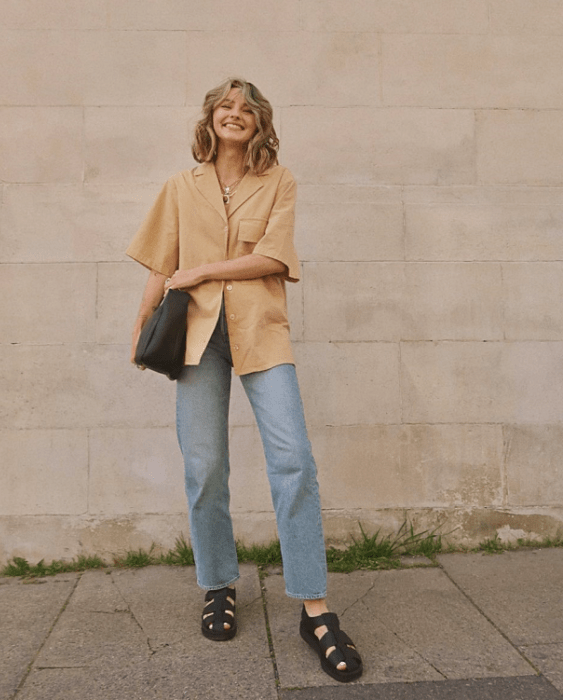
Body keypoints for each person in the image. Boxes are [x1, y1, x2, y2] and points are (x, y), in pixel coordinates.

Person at [126, 77, 363, 683]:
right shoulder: (181, 187)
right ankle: (218, 585)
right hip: (196, 338)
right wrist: (141, 324)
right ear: (211, 119)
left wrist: (199, 270)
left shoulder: (279, 181)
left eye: (247, 109)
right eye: (225, 107)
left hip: (260, 330)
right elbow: (160, 264)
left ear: (260, 123)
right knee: (203, 467)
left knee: (294, 460)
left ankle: (315, 609)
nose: (235, 115)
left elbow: (273, 259)